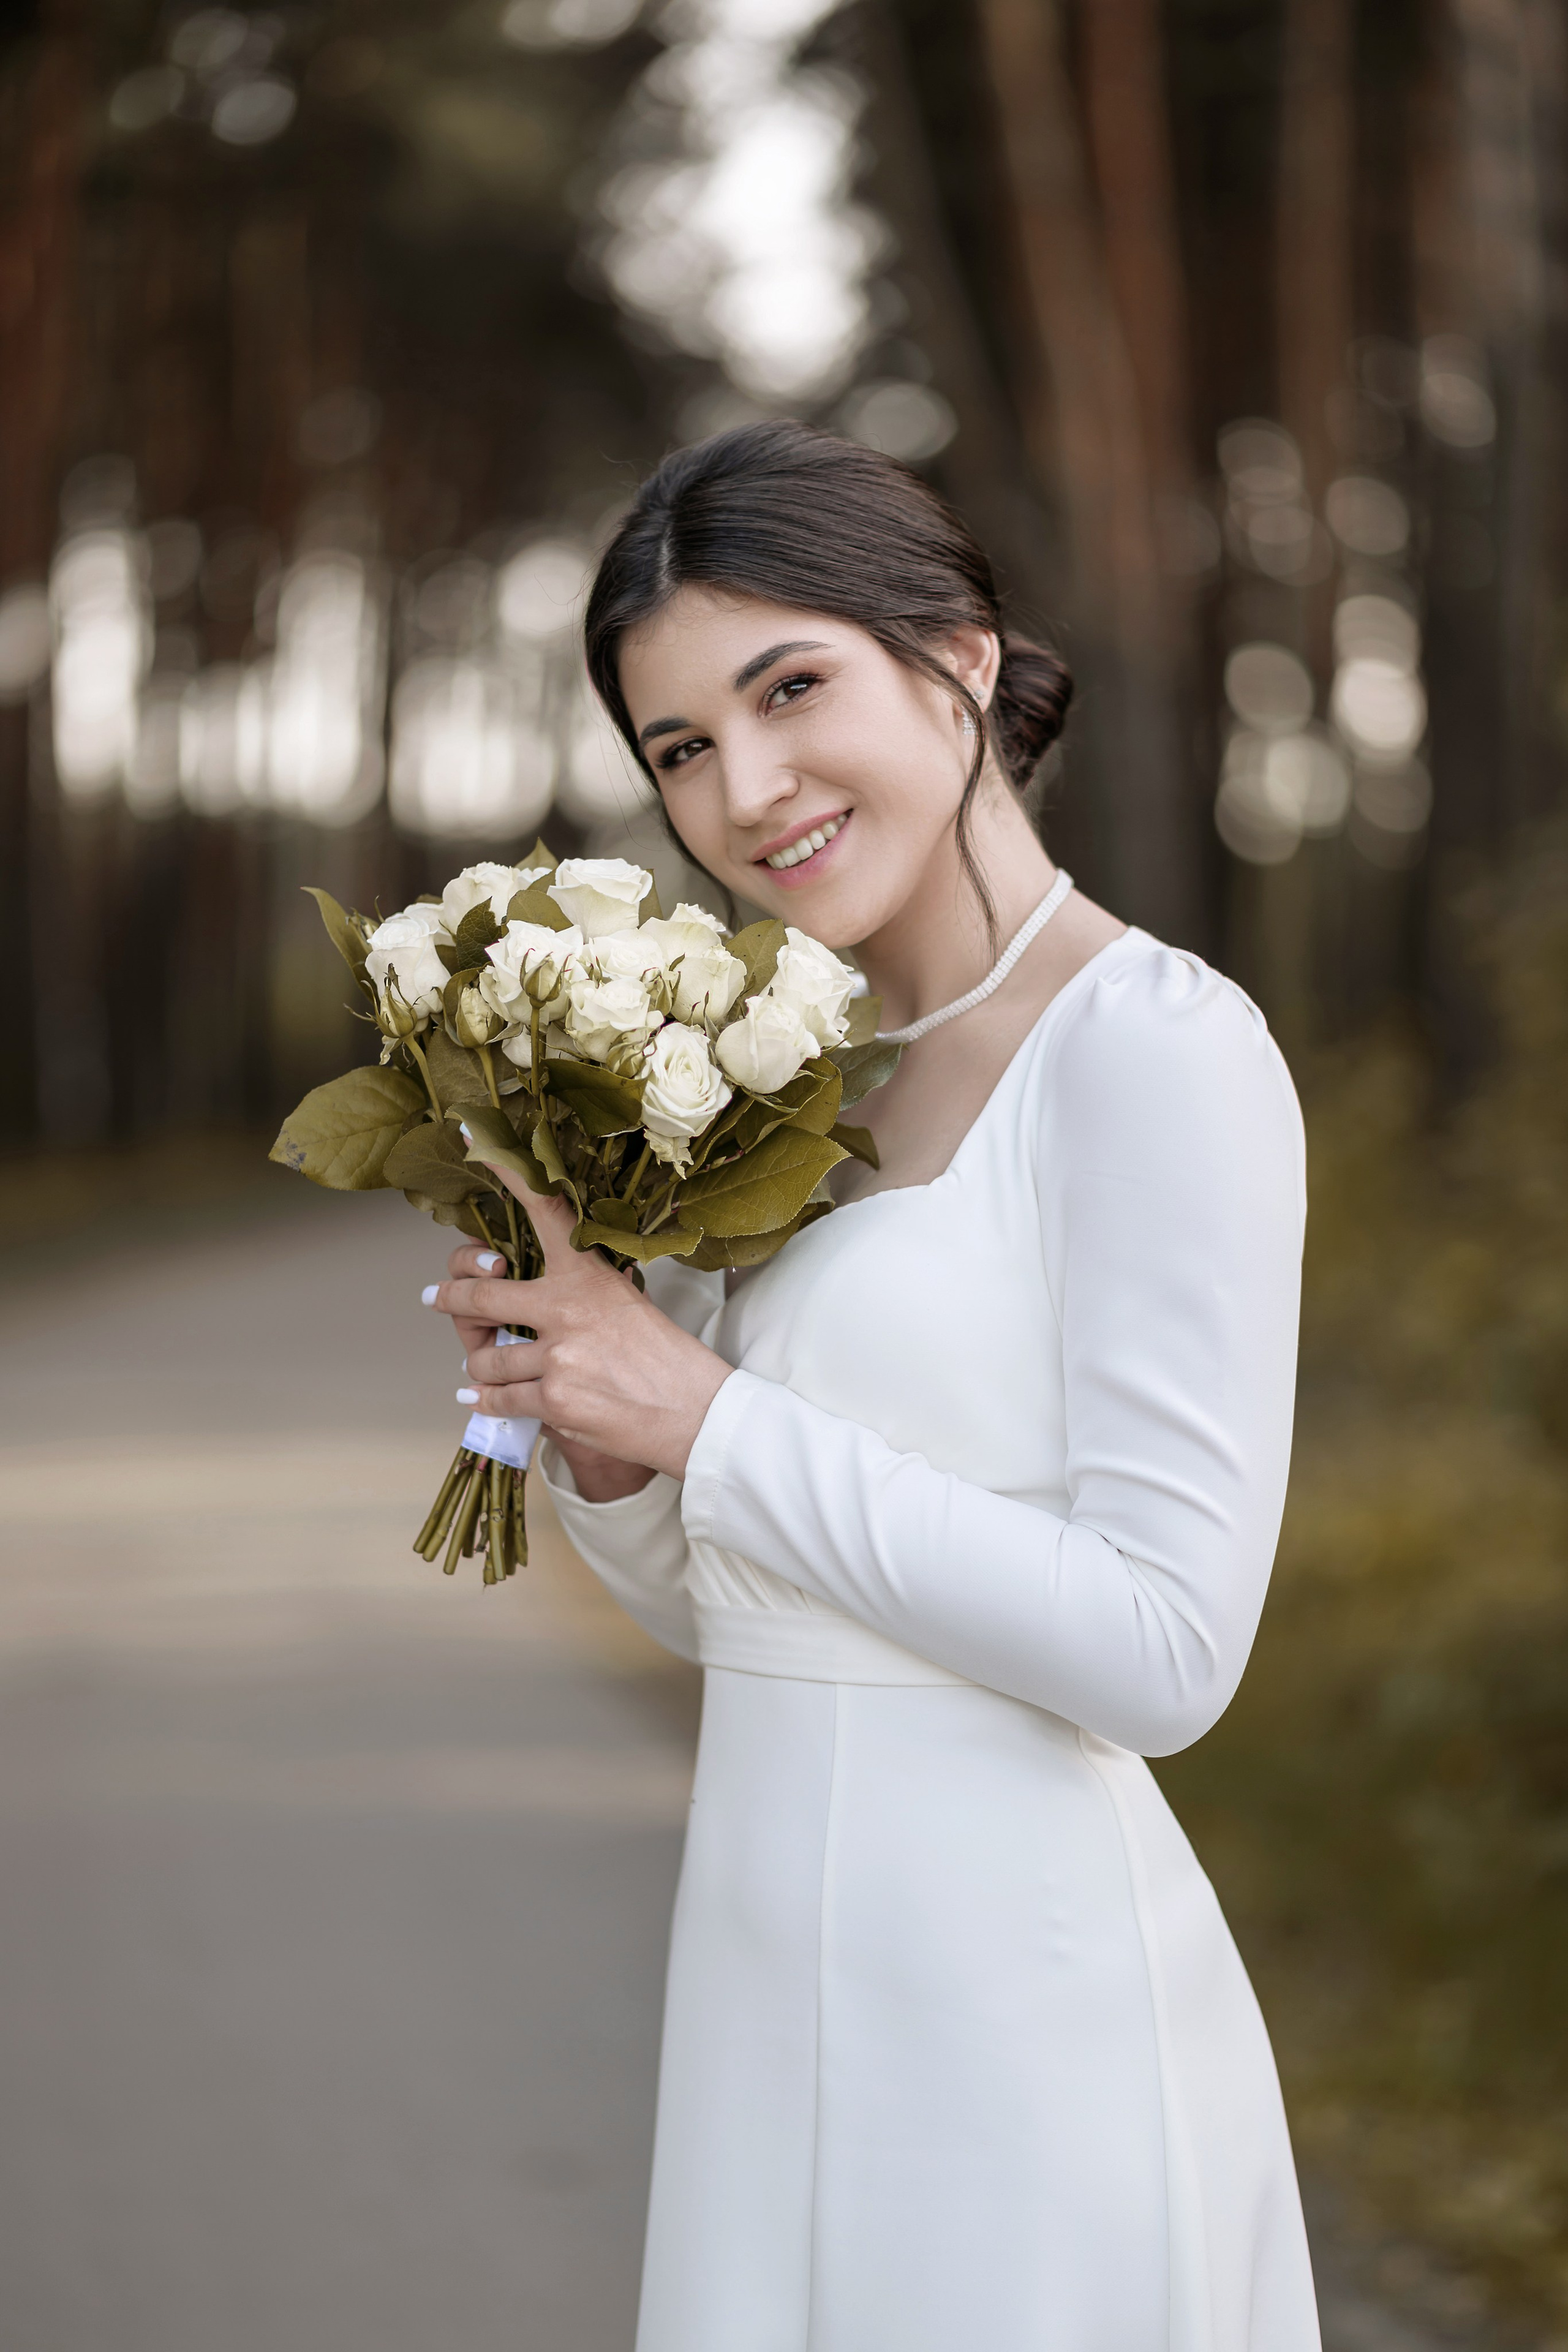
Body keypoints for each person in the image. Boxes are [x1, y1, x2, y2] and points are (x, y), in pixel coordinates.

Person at [426, 421, 1321, 2351]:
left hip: (1026, 2017)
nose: (744, 791)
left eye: (790, 688)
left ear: (964, 660)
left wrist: (709, 1417)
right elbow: (744, 1605)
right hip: (764, 1988)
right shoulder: (777, 1080)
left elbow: (1170, 1649)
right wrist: (600, 1440)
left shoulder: (1154, 1048)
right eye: (678, 747)